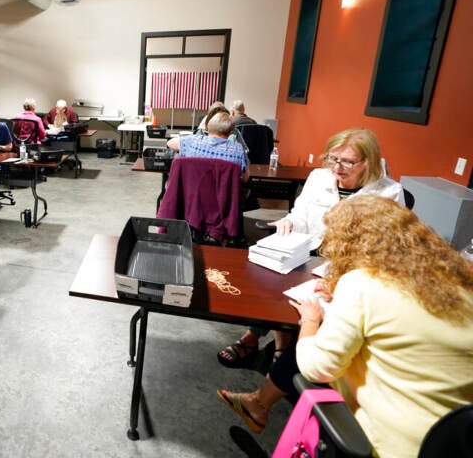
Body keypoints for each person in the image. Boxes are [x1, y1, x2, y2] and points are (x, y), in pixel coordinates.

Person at [219, 196, 473, 458]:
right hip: (453, 443)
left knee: (312, 341)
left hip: (382, 444)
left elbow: (317, 368)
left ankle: (260, 403)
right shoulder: (460, 282)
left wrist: (310, 320)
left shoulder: (363, 283)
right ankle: (258, 402)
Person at [217, 128, 404, 368]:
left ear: (369, 162)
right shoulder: (319, 177)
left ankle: (276, 345)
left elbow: (388, 245)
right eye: (332, 159)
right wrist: (289, 222)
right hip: (310, 251)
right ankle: (263, 339)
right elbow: (300, 216)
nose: (337, 168)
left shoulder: (389, 192)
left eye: (347, 162)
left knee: (314, 299)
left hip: (352, 266)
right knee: (274, 284)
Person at [166, 111, 248, 173]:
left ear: (207, 128)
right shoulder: (239, 150)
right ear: (230, 133)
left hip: (193, 193)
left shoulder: (192, 141)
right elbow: (245, 178)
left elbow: (169, 143)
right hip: (223, 195)